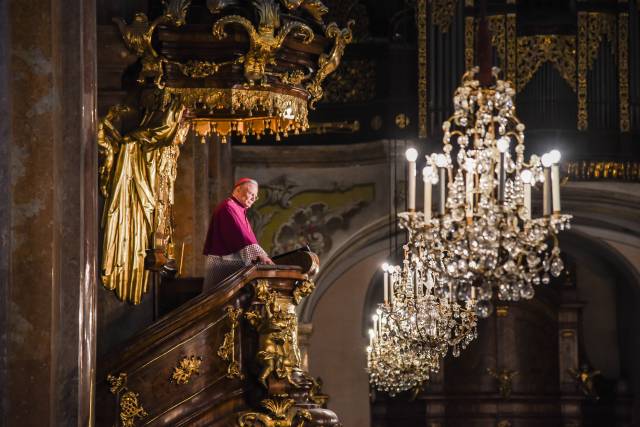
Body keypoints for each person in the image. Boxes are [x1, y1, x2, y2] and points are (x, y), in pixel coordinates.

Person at [203, 178, 274, 289]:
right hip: (222, 264)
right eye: (251, 193)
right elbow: (241, 237)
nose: (254, 198)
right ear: (238, 190)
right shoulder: (228, 207)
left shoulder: (238, 209)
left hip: (230, 263)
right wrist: (261, 256)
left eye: (256, 196)